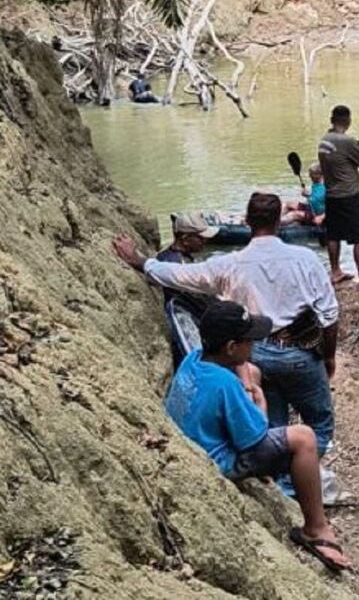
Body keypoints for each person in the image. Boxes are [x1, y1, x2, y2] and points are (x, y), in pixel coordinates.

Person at [113, 192, 340, 460]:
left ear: (247, 222)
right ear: (279, 222)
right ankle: (306, 472)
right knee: (320, 424)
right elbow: (329, 314)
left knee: (274, 423)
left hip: (255, 351)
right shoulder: (305, 259)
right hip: (298, 351)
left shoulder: (230, 265)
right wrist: (328, 355)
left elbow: (179, 275)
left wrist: (140, 261)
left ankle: (285, 479)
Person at [166, 300, 350, 572]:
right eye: (249, 341)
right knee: (304, 438)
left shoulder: (193, 358)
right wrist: (259, 402)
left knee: (252, 371)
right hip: (222, 461)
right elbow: (251, 438)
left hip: (194, 438)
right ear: (231, 347)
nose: (253, 345)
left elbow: (242, 370)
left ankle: (275, 476)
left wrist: (249, 382)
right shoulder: (224, 384)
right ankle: (315, 528)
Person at [317, 104, 359, 291]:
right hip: (349, 195)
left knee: (333, 234)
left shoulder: (324, 141)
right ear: (348, 120)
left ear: (332, 120)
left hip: (331, 195)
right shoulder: (347, 142)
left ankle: (335, 271)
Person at [156, 213, 218, 369]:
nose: (205, 241)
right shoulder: (176, 265)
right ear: (184, 238)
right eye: (200, 237)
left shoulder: (171, 257)